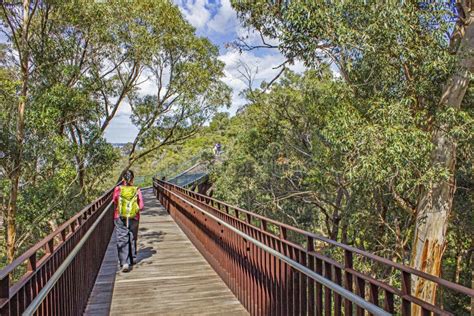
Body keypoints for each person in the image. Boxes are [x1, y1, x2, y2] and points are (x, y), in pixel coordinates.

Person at [113, 170, 144, 272]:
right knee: (132, 236)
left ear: (123, 179)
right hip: (134, 217)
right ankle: (133, 258)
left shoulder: (118, 189)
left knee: (122, 237)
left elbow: (115, 201)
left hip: (120, 216)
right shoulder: (136, 190)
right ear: (132, 179)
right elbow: (141, 206)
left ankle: (124, 262)